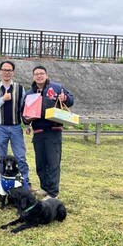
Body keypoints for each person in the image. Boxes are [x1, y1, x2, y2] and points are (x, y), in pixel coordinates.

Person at [23, 65, 74, 199]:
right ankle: (44, 187)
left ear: (46, 74)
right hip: (38, 131)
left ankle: (53, 192)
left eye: (41, 73)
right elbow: (24, 113)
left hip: (53, 130)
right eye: (36, 74)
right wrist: (26, 121)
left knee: (53, 162)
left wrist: (65, 98)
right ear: (33, 76)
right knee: (41, 162)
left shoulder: (56, 87)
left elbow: (71, 100)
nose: (39, 76)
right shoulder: (29, 94)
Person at [0, 60, 31, 188]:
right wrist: (2, 99)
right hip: (0, 127)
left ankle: (25, 182)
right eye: (4, 70)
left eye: (9, 70)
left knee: (20, 156)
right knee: (2, 157)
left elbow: (25, 108)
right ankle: (3, 182)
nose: (7, 72)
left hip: (16, 127)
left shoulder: (19, 88)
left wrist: (27, 124)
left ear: (13, 72)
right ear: (0, 72)